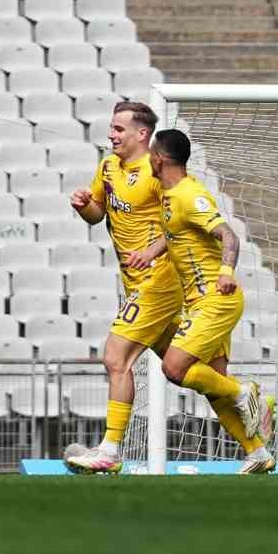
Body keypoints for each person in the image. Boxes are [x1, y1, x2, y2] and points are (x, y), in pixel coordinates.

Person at [63, 101, 186, 475]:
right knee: (183, 368)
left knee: (116, 359)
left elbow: (182, 220)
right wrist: (84, 205)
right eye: (111, 128)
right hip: (135, 282)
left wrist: (150, 253)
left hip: (159, 280)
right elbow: (98, 213)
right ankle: (245, 405)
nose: (111, 134)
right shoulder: (108, 166)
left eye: (118, 129)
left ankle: (109, 450)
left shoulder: (158, 171)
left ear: (142, 134)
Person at [148, 129, 278, 474]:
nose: (148, 158)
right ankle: (257, 453)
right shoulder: (170, 195)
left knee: (174, 368)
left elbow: (228, 235)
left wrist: (226, 271)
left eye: (150, 153)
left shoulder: (191, 195)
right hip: (199, 302)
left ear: (159, 158)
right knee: (212, 388)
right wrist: (149, 252)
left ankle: (249, 394)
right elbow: (175, 232)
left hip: (215, 299)